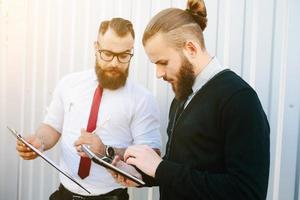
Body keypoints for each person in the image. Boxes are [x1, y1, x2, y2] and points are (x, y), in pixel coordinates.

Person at [111, 0, 270, 199]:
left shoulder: (239, 100)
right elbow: (182, 166)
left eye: (163, 62)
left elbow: (247, 192)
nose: (158, 73)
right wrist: (141, 174)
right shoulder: (182, 95)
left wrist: (160, 168)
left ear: (191, 49)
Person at [16, 17, 161, 200]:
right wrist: (39, 141)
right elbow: (52, 126)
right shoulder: (69, 84)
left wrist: (106, 151)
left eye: (124, 55)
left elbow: (152, 156)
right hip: (64, 195)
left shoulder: (143, 99)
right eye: (107, 53)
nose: (115, 63)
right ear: (96, 47)